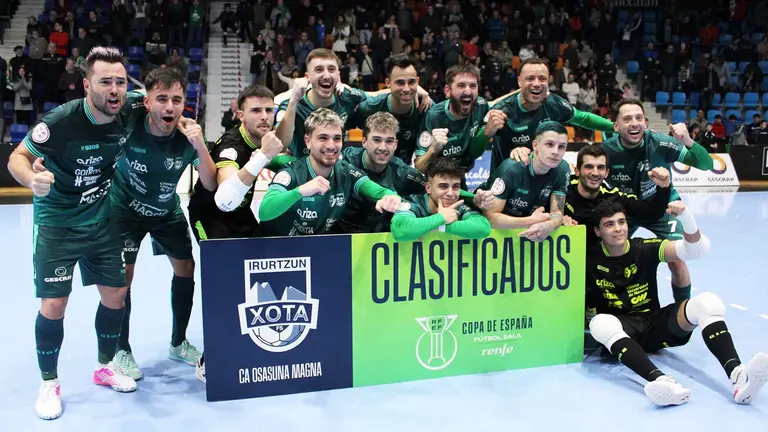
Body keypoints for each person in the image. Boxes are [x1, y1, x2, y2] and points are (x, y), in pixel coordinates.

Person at [6, 46, 146, 420]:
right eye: (105, 82)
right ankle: (48, 383)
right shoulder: (61, 121)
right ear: (87, 84)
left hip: (101, 219)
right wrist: (32, 178)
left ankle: (104, 366)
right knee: (55, 304)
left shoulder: (132, 107)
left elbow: (162, 96)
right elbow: (17, 157)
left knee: (116, 293)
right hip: (57, 222)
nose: (114, 89)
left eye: (120, 81)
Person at [510, 99, 714, 303]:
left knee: (677, 260)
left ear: (646, 123)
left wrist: (688, 141)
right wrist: (526, 152)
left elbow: (706, 164)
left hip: (661, 205)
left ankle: (683, 311)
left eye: (638, 118)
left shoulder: (661, 143)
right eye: (627, 119)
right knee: (605, 255)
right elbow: (561, 170)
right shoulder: (605, 152)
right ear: (616, 127)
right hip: (624, 210)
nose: (634, 123)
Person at [586, 199, 768, 407]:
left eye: (621, 222)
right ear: (598, 231)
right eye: (609, 224)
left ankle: (738, 376)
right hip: (623, 332)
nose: (618, 229)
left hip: (655, 325)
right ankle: (664, 383)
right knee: (599, 323)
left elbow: (696, 251)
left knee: (708, 302)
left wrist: (686, 218)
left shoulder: (645, 248)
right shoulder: (588, 258)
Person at [107, 67, 217, 380]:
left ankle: (178, 343)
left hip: (166, 210)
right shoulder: (130, 122)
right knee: (122, 280)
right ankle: (122, 349)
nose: (169, 107)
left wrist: (199, 145)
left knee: (186, 268)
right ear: (148, 101)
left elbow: (209, 184)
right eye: (162, 99)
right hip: (125, 210)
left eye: (177, 100)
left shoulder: (187, 136)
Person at [335, 111, 494, 233]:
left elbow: (436, 186)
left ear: (396, 144)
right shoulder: (346, 160)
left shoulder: (404, 173)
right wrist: (386, 195)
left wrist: (474, 199)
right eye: (377, 140)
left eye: (389, 141)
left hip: (380, 237)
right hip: (338, 233)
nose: (383, 147)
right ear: (364, 142)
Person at [259, 108, 403, 236]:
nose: (331, 145)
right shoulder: (292, 172)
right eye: (323, 138)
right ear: (308, 141)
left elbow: (379, 192)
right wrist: (300, 191)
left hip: (315, 248)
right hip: (271, 251)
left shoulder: (346, 172)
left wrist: (391, 197)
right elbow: (264, 212)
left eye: (337, 138)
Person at [274, 48, 430, 157]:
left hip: (333, 171)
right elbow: (280, 144)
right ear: (307, 77)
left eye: (331, 69)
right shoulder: (292, 104)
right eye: (319, 70)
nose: (326, 75)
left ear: (338, 75)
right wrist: (293, 101)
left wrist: (414, 89)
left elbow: (375, 94)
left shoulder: (347, 97)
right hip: (302, 171)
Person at [186, 85, 294, 242]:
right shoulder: (231, 146)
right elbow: (226, 196)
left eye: (269, 110)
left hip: (240, 212)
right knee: (220, 264)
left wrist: (294, 99)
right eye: (256, 110)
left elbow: (282, 143)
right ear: (241, 116)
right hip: (210, 215)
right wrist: (262, 157)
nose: (264, 116)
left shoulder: (260, 135)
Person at [490, 57, 614, 171]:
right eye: (530, 78)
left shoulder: (554, 104)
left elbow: (583, 118)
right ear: (519, 82)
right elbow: (477, 141)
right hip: (506, 179)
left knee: (563, 169)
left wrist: (614, 127)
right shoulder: (502, 110)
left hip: (542, 179)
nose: (537, 83)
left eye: (542, 79)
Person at [562, 144, 671, 248]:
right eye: (589, 167)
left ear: (606, 173)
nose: (595, 173)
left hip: (598, 260)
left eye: (600, 167)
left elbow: (652, 213)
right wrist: (558, 222)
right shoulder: (562, 190)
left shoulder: (613, 197)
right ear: (577, 170)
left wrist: (663, 188)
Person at [482, 121, 570, 242]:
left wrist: (550, 225)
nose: (556, 152)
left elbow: (557, 212)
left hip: (523, 230)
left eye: (562, 146)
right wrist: (530, 221)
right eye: (549, 144)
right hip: (497, 230)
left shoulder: (562, 168)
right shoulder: (512, 168)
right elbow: (490, 217)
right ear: (535, 145)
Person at [413, 64, 507, 178]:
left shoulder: (481, 105)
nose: (468, 91)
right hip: (437, 182)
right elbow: (418, 168)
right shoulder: (434, 116)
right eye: (461, 85)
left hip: (460, 177)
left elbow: (503, 102)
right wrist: (433, 149)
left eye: (473, 86)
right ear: (447, 91)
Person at [391, 157, 492, 241]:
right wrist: (441, 218)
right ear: (428, 188)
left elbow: (483, 228)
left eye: (456, 186)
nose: (450, 193)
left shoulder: (460, 205)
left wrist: (440, 227)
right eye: (443, 186)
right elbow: (399, 230)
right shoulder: (414, 203)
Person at [350, 54, 425, 164]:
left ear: (418, 82)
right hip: (369, 174)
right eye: (400, 82)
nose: (406, 89)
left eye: (411, 82)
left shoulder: (426, 108)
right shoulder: (368, 107)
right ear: (387, 83)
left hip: (404, 174)